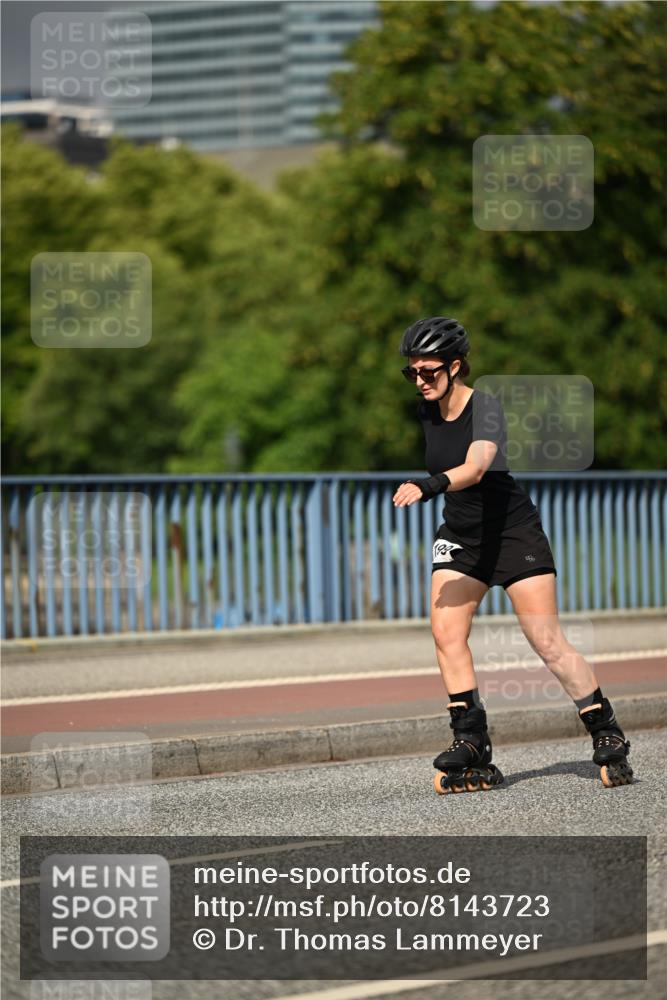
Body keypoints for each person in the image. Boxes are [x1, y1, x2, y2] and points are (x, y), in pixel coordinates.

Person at [392, 316, 633, 794]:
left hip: (512, 533)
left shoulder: (486, 407)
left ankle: (605, 729)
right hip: (463, 536)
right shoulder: (427, 410)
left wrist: (429, 486)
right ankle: (470, 740)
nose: (419, 380)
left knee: (546, 639)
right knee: (445, 633)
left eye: (428, 371)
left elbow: (477, 466)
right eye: (411, 372)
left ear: (455, 366)